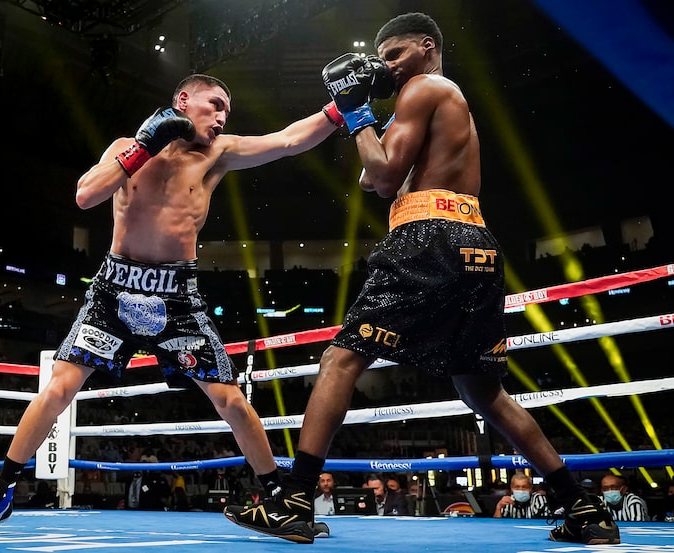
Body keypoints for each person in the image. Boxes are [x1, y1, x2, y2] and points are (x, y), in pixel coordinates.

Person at [224, 12, 619, 546]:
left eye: (394, 55)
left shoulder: (426, 86)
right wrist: (360, 117)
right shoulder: (427, 102)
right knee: (485, 393)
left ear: (426, 47)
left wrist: (362, 118)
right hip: (474, 246)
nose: (385, 66)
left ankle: (293, 499)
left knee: (340, 360)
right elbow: (369, 176)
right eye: (381, 59)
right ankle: (582, 506)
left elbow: (383, 178)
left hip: (429, 238)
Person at [0, 73, 343, 536]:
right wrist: (141, 145)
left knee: (230, 398)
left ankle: (277, 499)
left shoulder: (217, 154)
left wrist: (338, 110)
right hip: (114, 288)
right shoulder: (127, 146)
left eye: (226, 113)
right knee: (58, 388)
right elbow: (84, 195)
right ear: (183, 100)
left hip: (176, 294)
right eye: (215, 105)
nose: (220, 118)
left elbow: (288, 140)